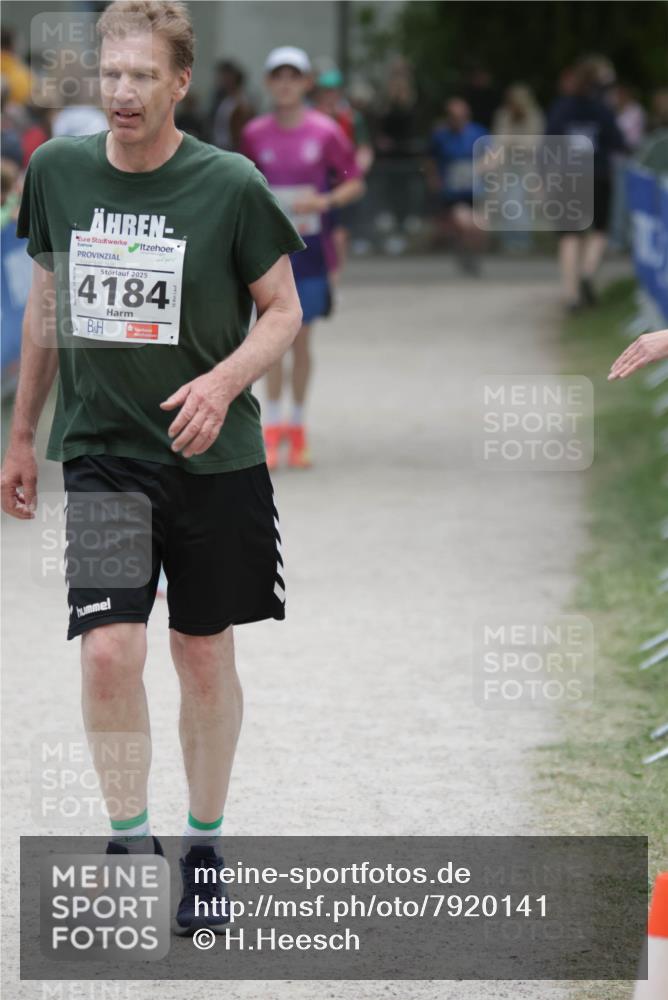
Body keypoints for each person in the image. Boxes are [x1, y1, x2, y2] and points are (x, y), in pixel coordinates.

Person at [1, 0, 305, 936]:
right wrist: (23, 435)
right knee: (108, 650)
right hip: (103, 456)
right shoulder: (57, 171)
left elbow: (284, 311)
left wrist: (222, 382)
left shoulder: (232, 184)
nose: (123, 92)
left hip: (214, 458)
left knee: (202, 653)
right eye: (112, 74)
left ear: (180, 83)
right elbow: (46, 304)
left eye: (144, 76)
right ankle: (131, 841)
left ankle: (204, 846)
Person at [240, 46, 364, 470]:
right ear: (268, 83)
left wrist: (324, 201)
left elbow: (354, 182)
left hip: (312, 253)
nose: (287, 83)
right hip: (268, 254)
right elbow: (243, 188)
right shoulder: (255, 133)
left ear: (307, 82)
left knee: (302, 338)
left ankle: (298, 424)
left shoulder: (326, 131)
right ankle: (271, 428)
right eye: (279, 76)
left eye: (295, 76)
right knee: (270, 340)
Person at [546, 56, 627, 311]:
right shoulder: (602, 109)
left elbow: (549, 143)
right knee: (599, 231)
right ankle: (588, 272)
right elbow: (618, 142)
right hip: (598, 174)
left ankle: (571, 295)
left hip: (568, 175)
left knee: (569, 235)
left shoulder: (562, 108)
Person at [312, 66, 374, 279]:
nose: (330, 96)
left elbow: (364, 149)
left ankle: (334, 276)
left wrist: (356, 172)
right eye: (325, 91)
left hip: (342, 183)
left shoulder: (351, 119)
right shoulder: (311, 117)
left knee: (339, 233)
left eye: (334, 91)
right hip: (319, 181)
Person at [426, 97, 488, 274]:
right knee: (465, 223)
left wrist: (479, 167)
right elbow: (430, 160)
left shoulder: (478, 132)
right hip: (453, 193)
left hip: (475, 190)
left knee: (479, 227)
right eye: (453, 116)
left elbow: (493, 156)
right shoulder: (440, 136)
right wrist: (434, 180)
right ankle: (464, 254)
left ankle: (471, 255)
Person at [491, 84, 545, 253]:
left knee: (523, 204)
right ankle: (512, 240)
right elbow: (499, 141)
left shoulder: (534, 116)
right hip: (507, 167)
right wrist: (515, 142)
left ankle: (522, 239)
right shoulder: (504, 115)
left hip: (528, 167)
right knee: (509, 202)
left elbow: (533, 144)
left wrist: (512, 142)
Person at [210, 59, 254, 152]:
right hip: (218, 146)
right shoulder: (223, 98)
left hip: (232, 149)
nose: (221, 80)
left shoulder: (242, 102)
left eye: (225, 76)